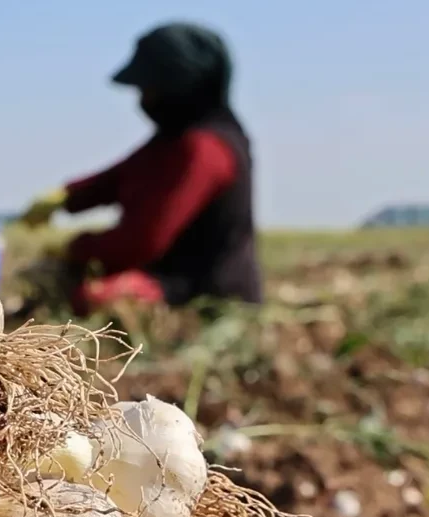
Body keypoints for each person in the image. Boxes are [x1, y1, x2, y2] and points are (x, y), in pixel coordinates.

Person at [20, 22, 260, 316]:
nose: (142, 99)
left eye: (149, 88)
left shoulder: (205, 148)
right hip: (168, 278)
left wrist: (75, 248)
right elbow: (119, 176)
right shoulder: (172, 139)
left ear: (178, 87)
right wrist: (65, 197)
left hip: (202, 295)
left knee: (91, 296)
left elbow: (140, 241)